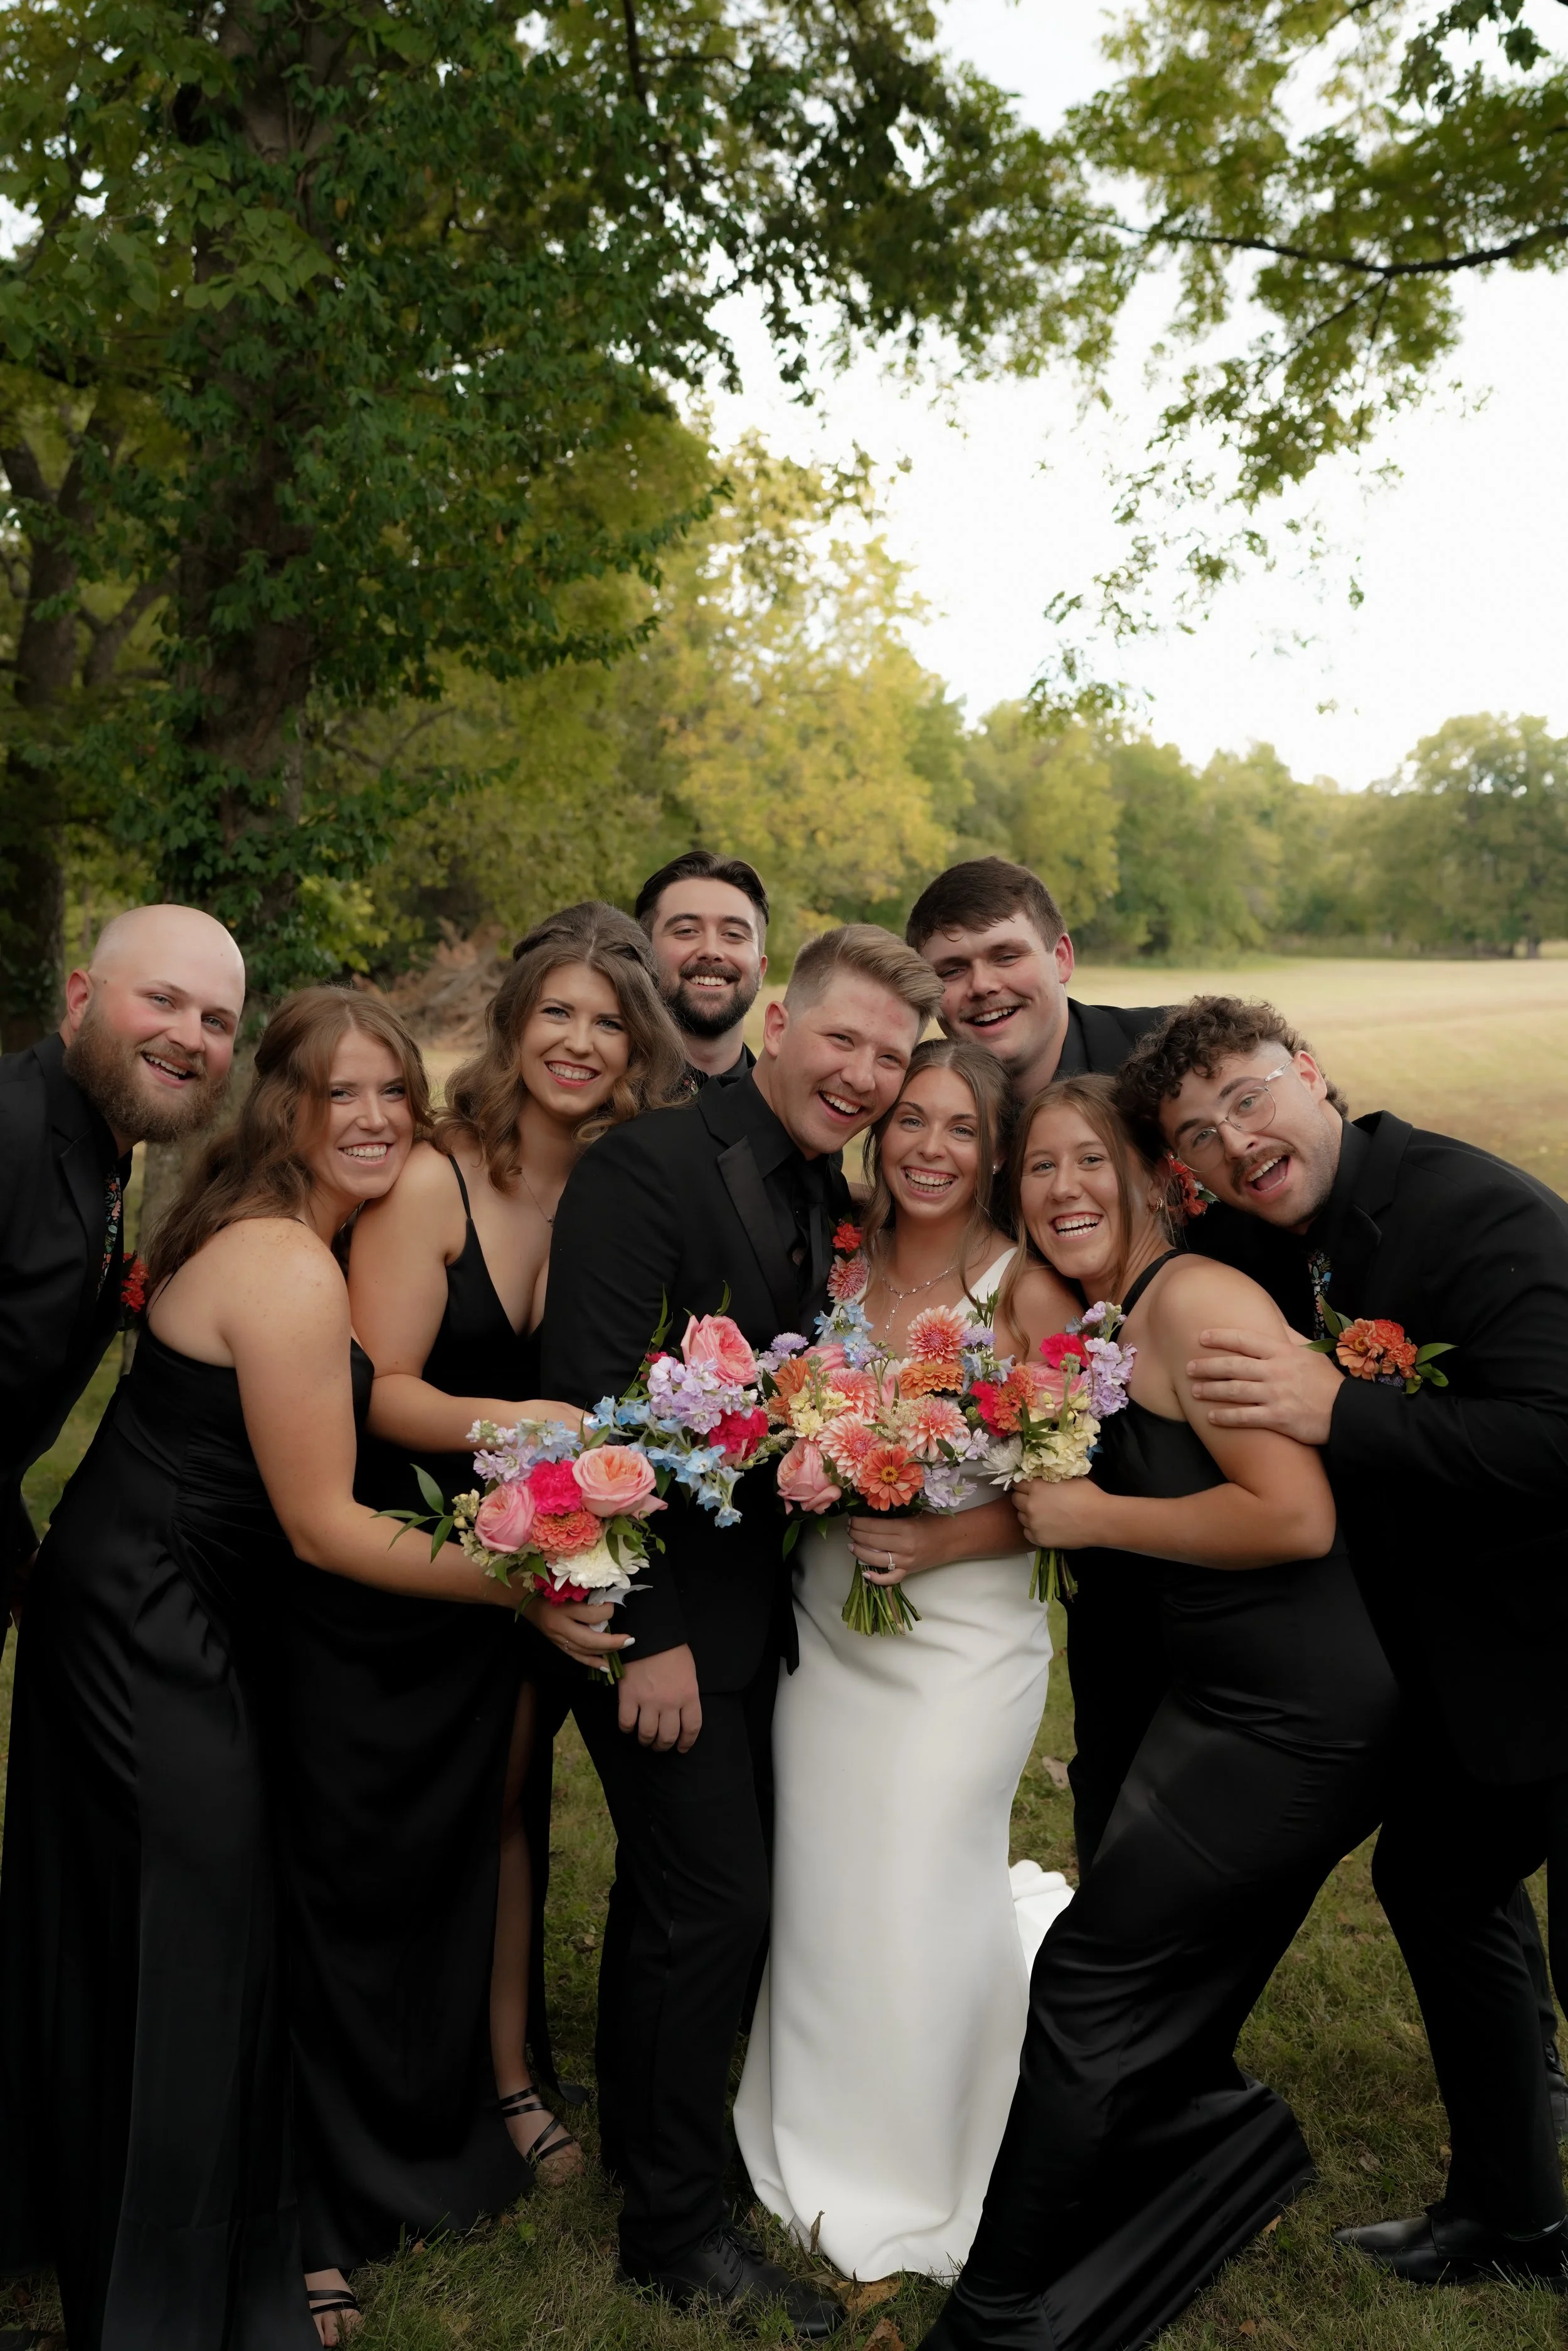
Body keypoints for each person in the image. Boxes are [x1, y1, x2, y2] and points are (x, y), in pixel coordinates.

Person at [0, 988, 520, 2351]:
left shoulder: (315, 1244)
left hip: (166, 1605)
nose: (367, 1116)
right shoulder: (286, 1263)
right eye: (333, 1091)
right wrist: (535, 1582)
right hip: (142, 1619)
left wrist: (524, 1428)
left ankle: (121, 2210)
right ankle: (164, 2288)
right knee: (192, 1933)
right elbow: (324, 1523)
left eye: (389, 1092)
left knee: (156, 1925)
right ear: (280, 1104)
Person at [922, 1074, 1397, 2351]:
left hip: (1295, 1711)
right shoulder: (1106, 1314)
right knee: (1168, 1982)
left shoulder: (1190, 1299)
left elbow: (1293, 1513)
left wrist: (1096, 1517)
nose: (1063, 1186)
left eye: (1088, 1161)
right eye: (1036, 1167)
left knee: (1089, 1975)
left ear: (1149, 1178)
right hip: (1237, 1696)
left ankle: (997, 2314)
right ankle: (1207, 2164)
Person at [283, 904, 687, 2329]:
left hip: (517, 1572)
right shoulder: (435, 1185)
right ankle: (315, 2162)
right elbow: (375, 1383)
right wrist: (517, 1418)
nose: (580, 1041)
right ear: (516, 1026)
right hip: (388, 1560)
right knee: (361, 1853)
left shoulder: (619, 1191)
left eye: (609, 1022)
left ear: (639, 1052)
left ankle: (503, 2077)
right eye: (557, 1013)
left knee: (510, 1813)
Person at [1126, 995, 1568, 2288]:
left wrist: (1339, 1407)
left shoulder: (1476, 1212)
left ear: (1309, 1073)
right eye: (1199, 1135)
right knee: (1437, 1884)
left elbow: (1557, 1437)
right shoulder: (1273, 1238)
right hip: (1475, 1658)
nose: (1234, 1143)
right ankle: (1511, 2217)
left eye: (1248, 1099)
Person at [540, 923, 941, 2335]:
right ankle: (673, 2227)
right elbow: (585, 1397)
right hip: (650, 1621)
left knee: (677, 1897)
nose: (865, 1075)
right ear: (780, 1021)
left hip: (750, 1611)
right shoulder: (644, 1167)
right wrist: (637, 1624)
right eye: (844, 1040)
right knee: (711, 1899)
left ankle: (664, 2158)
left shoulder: (823, 1187)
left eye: (891, 1058)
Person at [733, 1038, 1076, 2278]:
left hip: (963, 1635)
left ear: (995, 1151)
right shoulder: (835, 1257)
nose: (930, 1147)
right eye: (910, 1120)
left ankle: (934, 2151)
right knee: (828, 1875)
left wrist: (938, 1541)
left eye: (959, 1128)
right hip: (829, 1620)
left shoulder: (1020, 1286)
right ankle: (819, 2118)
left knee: (920, 1869)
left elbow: (1066, 1494)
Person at [906, 859, 1167, 1874]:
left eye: (1005, 953)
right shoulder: (941, 1115)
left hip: (1228, 1439)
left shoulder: (1163, 1055)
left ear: (1059, 955)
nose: (982, 984)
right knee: (1119, 1777)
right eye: (952, 968)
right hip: (1082, 1508)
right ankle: (1140, 2033)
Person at [0, 903, 245, 1632]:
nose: (188, 1037)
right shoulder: (11, 1128)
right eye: (162, 999)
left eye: (217, 1021)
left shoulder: (100, 1153)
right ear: (81, 998)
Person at [635, 848, 770, 1088]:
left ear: (761, 970)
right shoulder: (592, 1105)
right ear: (643, 956)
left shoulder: (785, 1116)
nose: (711, 950)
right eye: (686, 931)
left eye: (733, 934)